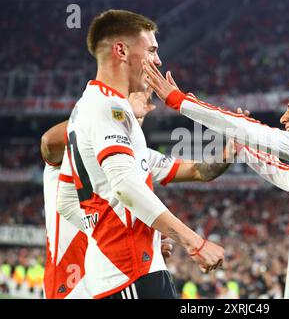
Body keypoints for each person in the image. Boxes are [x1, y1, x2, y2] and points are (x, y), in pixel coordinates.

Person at [144, 64, 289, 299]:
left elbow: (260, 133)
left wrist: (179, 100)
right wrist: (242, 145)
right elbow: (280, 171)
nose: (284, 117)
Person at [56, 10, 224, 299]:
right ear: (121, 50)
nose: (158, 60)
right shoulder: (109, 107)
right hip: (129, 273)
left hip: (122, 271)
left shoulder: (88, 108)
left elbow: (66, 199)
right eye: (152, 50)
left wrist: (111, 233)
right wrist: (192, 241)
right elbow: (124, 185)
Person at [41, 91, 235, 299]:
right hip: (72, 282)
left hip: (114, 273)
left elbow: (198, 171)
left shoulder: (136, 153)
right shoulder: (79, 142)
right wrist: (112, 113)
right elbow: (47, 142)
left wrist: (230, 151)